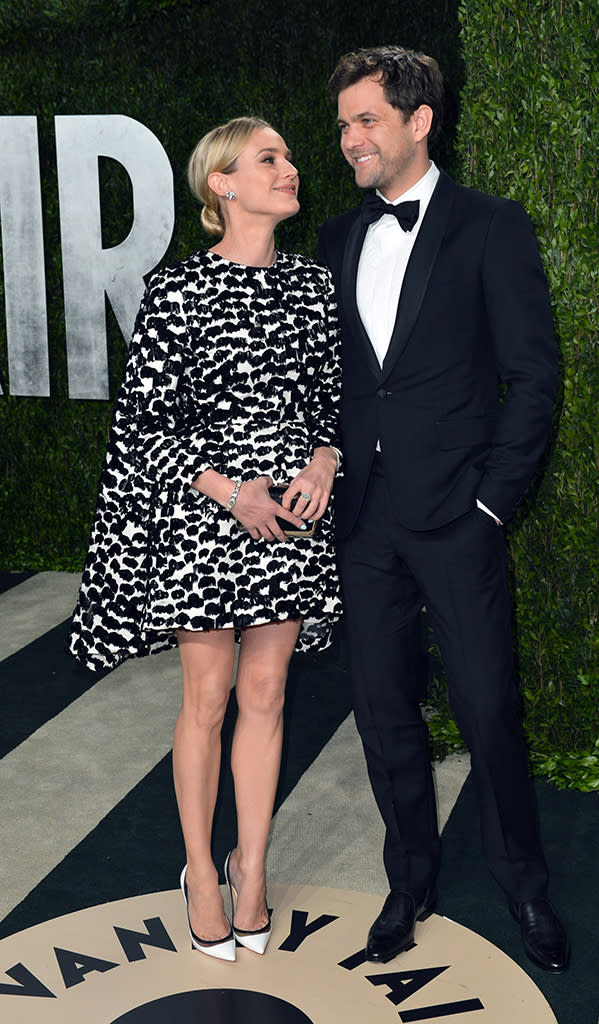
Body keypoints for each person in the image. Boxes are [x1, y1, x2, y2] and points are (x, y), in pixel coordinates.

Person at [317, 46, 569, 973]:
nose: (349, 140)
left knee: (488, 707)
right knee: (383, 711)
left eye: (366, 120)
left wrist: (492, 505)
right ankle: (409, 877)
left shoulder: (492, 227)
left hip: (457, 518)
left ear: (419, 121)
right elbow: (341, 384)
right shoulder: (338, 238)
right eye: (343, 123)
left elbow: (531, 377)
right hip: (363, 521)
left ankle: (524, 885)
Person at [68, 117, 342, 961]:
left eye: (288, 157)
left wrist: (326, 459)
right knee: (210, 699)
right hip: (207, 522)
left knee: (268, 698)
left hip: (292, 519)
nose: (290, 168)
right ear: (221, 184)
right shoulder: (178, 290)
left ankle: (249, 870)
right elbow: (144, 425)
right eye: (270, 159)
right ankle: (198, 868)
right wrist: (228, 489)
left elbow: (333, 404)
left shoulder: (313, 287)